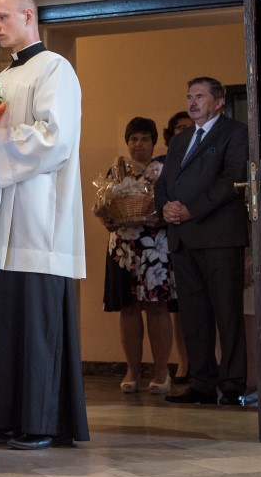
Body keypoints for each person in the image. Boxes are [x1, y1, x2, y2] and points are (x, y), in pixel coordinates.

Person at [0, 0, 89, 450]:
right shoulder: (1, 77)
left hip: (37, 218)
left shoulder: (55, 68)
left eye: (2, 17)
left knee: (35, 325)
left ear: (27, 15)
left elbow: (56, 138)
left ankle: (41, 422)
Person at [155, 77, 248, 406]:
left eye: (200, 96)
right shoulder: (180, 141)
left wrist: (191, 209)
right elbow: (164, 183)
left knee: (227, 312)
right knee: (194, 316)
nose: (192, 102)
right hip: (183, 239)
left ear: (219, 102)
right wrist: (165, 206)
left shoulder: (235, 133)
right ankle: (203, 383)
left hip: (219, 237)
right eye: (189, 96)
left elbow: (232, 179)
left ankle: (233, 384)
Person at [99, 117, 174, 396]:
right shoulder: (117, 171)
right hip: (122, 248)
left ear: (154, 142)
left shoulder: (164, 169)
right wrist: (105, 218)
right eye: (133, 139)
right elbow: (104, 206)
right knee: (128, 308)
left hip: (155, 246)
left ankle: (162, 371)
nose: (138, 144)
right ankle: (132, 370)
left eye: (144, 139)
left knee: (156, 307)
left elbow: (171, 205)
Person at [160, 110, 194, 384]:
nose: (183, 132)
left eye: (188, 127)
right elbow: (160, 193)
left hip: (197, 233)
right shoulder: (161, 162)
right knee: (178, 307)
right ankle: (183, 362)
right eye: (179, 128)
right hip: (168, 241)